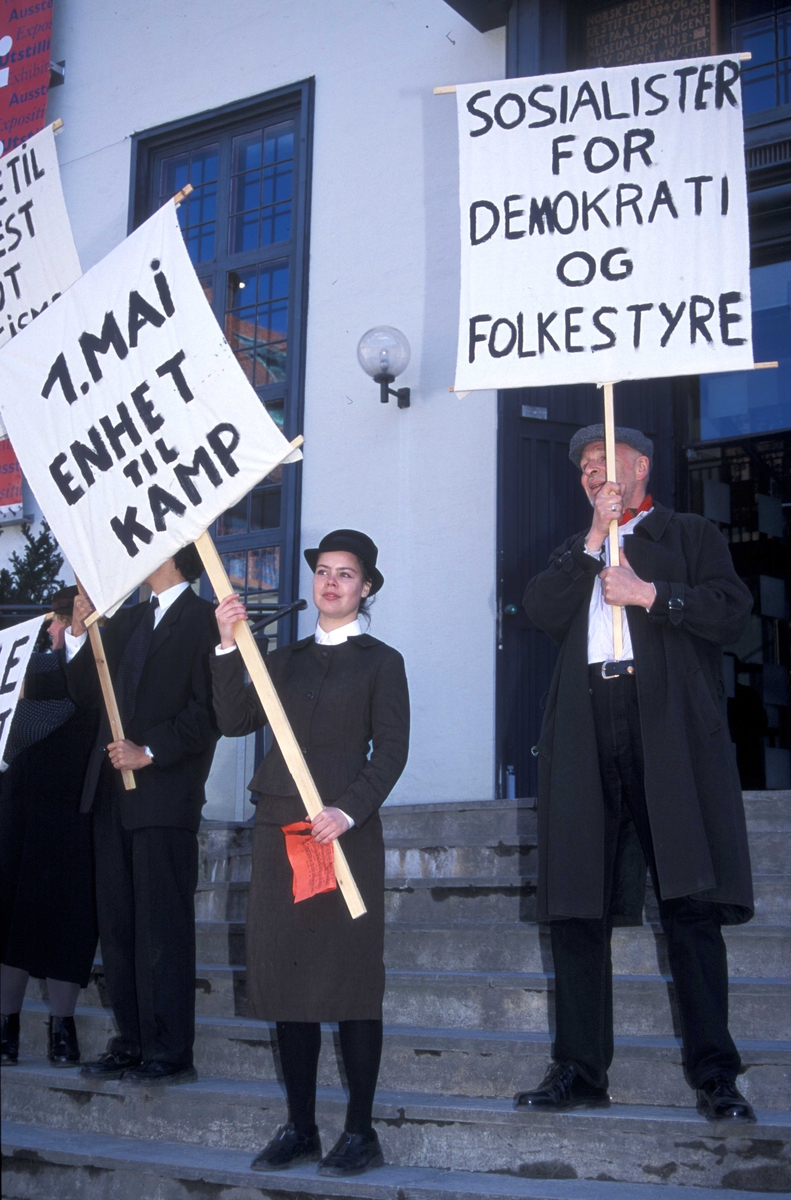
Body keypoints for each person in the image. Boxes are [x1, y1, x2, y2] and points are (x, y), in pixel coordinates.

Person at [518, 424, 756, 1123]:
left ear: (641, 465)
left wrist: (651, 594)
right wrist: (593, 545)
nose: (593, 471)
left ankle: (715, 1074)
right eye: (584, 466)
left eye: (605, 459)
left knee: (689, 903)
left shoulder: (689, 535)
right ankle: (580, 1068)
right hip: (586, 726)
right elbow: (540, 610)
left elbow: (733, 615)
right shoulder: (575, 552)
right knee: (575, 905)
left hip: (666, 729)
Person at [211, 529, 409, 1177]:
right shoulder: (285, 658)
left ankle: (359, 1132)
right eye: (322, 571)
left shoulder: (382, 662)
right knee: (288, 977)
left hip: (341, 837)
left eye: (345, 574)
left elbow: (392, 751)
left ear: (366, 587)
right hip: (281, 833)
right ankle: (300, 1127)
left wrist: (347, 808)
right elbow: (233, 718)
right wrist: (225, 643)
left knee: (349, 980)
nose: (330, 582)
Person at [66, 544, 219, 1086]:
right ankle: (131, 1040)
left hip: (164, 795)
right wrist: (82, 635)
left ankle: (170, 1050)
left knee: (162, 927)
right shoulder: (126, 619)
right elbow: (86, 697)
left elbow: (210, 712)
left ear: (173, 554)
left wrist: (148, 751)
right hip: (109, 795)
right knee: (120, 926)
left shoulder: (206, 621)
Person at [0, 587, 99, 1067]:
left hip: (74, 813)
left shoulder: (102, 675)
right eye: (59, 621)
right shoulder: (35, 667)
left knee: (70, 922)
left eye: (67, 621)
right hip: (22, 807)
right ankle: (6, 1025)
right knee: (12, 918)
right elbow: (18, 730)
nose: (60, 630)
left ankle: (63, 1026)